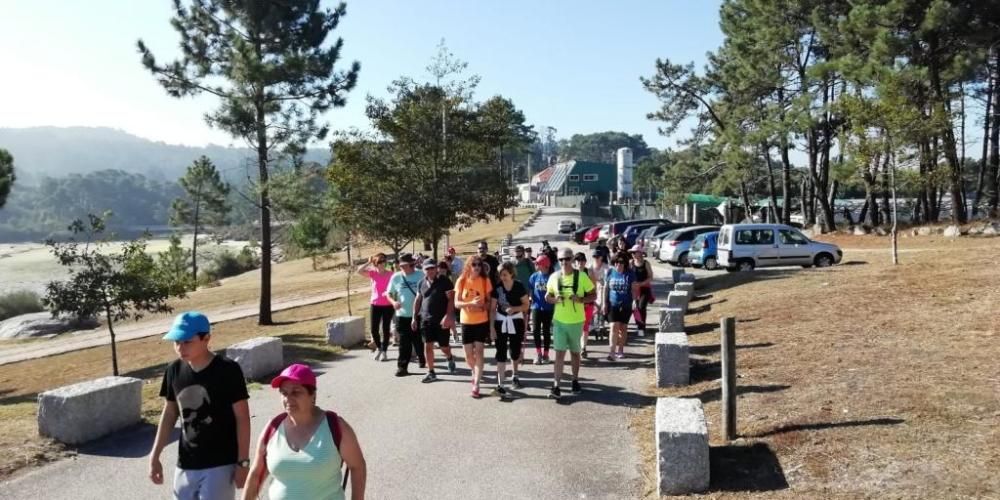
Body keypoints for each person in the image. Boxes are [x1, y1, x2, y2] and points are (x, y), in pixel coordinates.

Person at [149, 311, 251, 499]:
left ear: (206, 338)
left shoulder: (227, 370)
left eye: (187, 341)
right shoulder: (174, 370)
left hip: (220, 463)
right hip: (186, 463)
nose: (180, 347)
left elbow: (242, 418)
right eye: (177, 341)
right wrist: (155, 455)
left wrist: (243, 463)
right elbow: (170, 413)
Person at [241, 364, 366, 500]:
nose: (288, 398)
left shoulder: (335, 426)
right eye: (284, 393)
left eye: (296, 392)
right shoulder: (273, 428)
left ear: (312, 395)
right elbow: (255, 474)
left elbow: (357, 466)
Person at [545, 248, 596, 399]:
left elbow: (593, 295)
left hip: (576, 321)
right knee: (559, 353)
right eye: (561, 260)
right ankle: (556, 386)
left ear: (572, 259)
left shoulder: (581, 276)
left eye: (567, 259)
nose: (564, 262)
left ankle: (575, 380)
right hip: (559, 321)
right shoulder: (554, 277)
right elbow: (547, 296)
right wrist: (555, 299)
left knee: (575, 353)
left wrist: (580, 299)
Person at [411, 259, 458, 383]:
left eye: (432, 268)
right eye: (427, 269)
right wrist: (414, 317)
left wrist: (448, 316)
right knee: (428, 345)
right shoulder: (421, 283)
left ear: (436, 268)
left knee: (444, 346)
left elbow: (451, 300)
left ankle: (449, 357)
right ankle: (431, 372)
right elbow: (418, 300)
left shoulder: (445, 281)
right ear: (423, 270)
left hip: (442, 320)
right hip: (425, 319)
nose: (430, 271)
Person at [454, 254, 493, 398]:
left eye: (479, 265)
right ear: (469, 266)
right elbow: (456, 304)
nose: (477, 267)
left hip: (481, 322)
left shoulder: (485, 281)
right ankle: (475, 370)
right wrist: (470, 304)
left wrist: (482, 307)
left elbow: (490, 303)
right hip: (466, 322)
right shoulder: (461, 281)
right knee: (469, 356)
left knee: (480, 352)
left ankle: (476, 384)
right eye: (474, 264)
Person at [490, 262, 531, 398]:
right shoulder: (498, 288)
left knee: (515, 350)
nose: (503, 277)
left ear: (511, 273)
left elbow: (526, 305)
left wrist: (514, 309)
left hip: (516, 320)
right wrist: (491, 327)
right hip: (501, 321)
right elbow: (492, 308)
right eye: (501, 275)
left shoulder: (519, 286)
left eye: (505, 275)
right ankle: (500, 384)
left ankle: (515, 375)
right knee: (500, 352)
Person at [386, 253, 425, 376]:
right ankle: (402, 367)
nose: (401, 267)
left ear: (411, 264)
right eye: (400, 265)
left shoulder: (421, 275)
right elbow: (388, 293)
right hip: (402, 315)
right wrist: (393, 302)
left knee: (418, 340)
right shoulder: (396, 277)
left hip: (418, 314)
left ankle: (422, 357)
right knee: (404, 343)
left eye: (404, 265)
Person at [356, 253, 394, 362]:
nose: (382, 264)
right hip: (375, 305)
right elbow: (359, 271)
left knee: (386, 329)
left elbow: (395, 288)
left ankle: (385, 352)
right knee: (373, 329)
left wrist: (394, 300)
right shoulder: (372, 273)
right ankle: (379, 348)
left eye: (383, 262)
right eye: (379, 262)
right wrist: (368, 262)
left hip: (388, 305)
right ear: (375, 264)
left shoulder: (391, 274)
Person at [603, 255, 636, 361]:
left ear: (625, 264)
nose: (618, 264)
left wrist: (635, 301)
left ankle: (620, 350)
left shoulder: (630, 274)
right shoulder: (610, 272)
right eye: (616, 262)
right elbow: (606, 288)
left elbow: (634, 289)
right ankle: (611, 352)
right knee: (613, 326)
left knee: (623, 328)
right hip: (613, 304)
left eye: (621, 262)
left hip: (626, 304)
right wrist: (604, 303)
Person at [528, 254, 554, 365]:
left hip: (548, 308)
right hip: (536, 307)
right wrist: (530, 298)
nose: (536, 265)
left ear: (544, 265)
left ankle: (546, 354)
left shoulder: (551, 277)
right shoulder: (534, 276)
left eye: (537, 264)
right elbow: (530, 290)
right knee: (536, 330)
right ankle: (538, 353)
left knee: (546, 331)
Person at [573, 252, 596, 359]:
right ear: (574, 262)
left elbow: (593, 289)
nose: (580, 263)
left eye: (582, 260)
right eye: (578, 260)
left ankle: (583, 348)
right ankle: (577, 346)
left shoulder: (589, 272)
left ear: (585, 262)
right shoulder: (572, 274)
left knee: (585, 326)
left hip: (588, 303)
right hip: (576, 305)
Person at [630, 245, 655, 335]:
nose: (632, 254)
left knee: (641, 307)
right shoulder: (631, 263)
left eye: (634, 252)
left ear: (640, 253)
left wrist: (641, 283)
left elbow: (651, 277)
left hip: (645, 288)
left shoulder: (646, 263)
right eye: (632, 252)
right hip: (634, 290)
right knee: (635, 308)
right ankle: (639, 325)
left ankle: (642, 328)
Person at [588, 250, 610, 350]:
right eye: (594, 257)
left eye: (598, 257)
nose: (596, 259)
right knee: (592, 306)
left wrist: (601, 283)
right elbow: (588, 278)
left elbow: (605, 281)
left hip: (603, 288)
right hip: (592, 288)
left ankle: (601, 325)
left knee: (601, 305)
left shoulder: (606, 267)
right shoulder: (590, 266)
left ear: (601, 258)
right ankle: (592, 326)